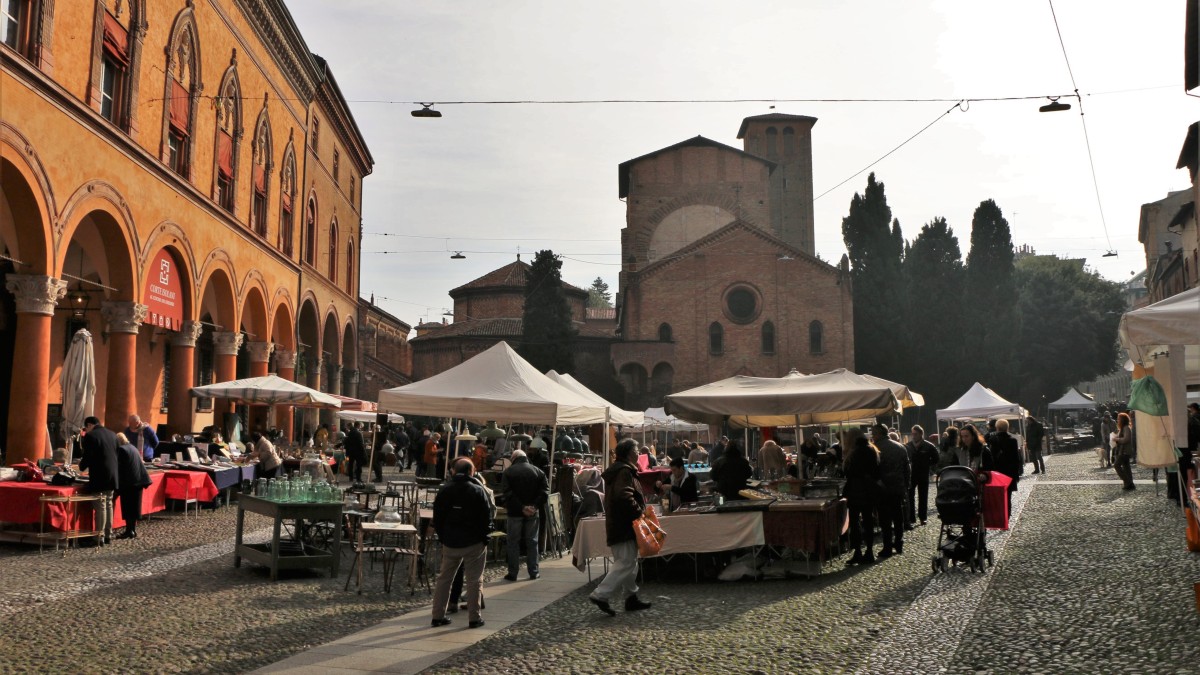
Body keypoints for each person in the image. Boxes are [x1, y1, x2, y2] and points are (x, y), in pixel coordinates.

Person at [587, 439, 651, 616]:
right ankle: (600, 594)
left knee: (630, 563)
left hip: (621, 524)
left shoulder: (622, 470)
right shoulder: (624, 471)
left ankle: (631, 598)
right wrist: (639, 513)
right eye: (637, 450)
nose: (639, 453)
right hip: (624, 526)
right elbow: (624, 497)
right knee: (625, 563)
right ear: (630, 453)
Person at [430, 459, 492, 629]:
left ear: (453, 471)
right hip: (473, 542)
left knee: (444, 579)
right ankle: (474, 617)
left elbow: (438, 518)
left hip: (451, 541)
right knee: (474, 581)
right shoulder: (478, 490)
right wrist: (484, 538)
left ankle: (437, 615)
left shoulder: (445, 490)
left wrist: (443, 537)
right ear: (471, 472)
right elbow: (487, 517)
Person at [501, 449, 549, 581]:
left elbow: (507, 493)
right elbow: (545, 492)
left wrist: (522, 507)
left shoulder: (508, 472)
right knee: (532, 542)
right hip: (533, 512)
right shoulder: (539, 472)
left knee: (513, 543)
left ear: (514, 458)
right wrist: (533, 506)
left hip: (515, 512)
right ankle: (534, 571)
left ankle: (513, 573)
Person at [871, 423, 910, 557]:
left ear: (878, 434)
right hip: (898, 487)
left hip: (882, 488)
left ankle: (887, 546)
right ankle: (899, 543)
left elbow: (873, 470)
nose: (872, 436)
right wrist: (906, 486)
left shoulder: (875, 448)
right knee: (898, 516)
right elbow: (907, 468)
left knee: (885, 519)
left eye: (873, 434)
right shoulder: (900, 447)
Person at [79, 416, 119, 545]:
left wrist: (81, 467)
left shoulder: (91, 436)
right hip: (112, 474)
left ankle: (99, 537)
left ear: (89, 425)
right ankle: (108, 534)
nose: (86, 430)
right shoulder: (112, 434)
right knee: (108, 504)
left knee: (101, 506)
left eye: (86, 428)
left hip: (100, 475)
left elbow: (88, 456)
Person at [843, 429, 879, 565]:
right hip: (869, 490)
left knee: (855, 522)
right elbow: (876, 471)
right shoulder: (872, 450)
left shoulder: (854, 452)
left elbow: (850, 472)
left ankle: (857, 551)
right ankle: (869, 551)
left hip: (856, 490)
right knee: (868, 521)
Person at [113, 432, 151, 539]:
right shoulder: (131, 447)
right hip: (138, 481)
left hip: (129, 483)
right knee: (134, 508)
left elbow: (120, 469)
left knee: (128, 508)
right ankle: (132, 530)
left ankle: (129, 531)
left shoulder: (122, 450)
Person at [905, 425, 939, 526]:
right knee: (910, 496)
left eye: (915, 434)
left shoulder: (929, 446)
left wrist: (927, 464)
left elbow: (936, 458)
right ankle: (912, 518)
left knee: (923, 496)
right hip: (911, 475)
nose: (913, 436)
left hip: (923, 474)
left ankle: (923, 517)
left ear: (921, 434)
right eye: (912, 434)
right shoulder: (908, 446)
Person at [992, 419, 1023, 517]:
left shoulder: (993, 440)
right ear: (1007, 428)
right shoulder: (1012, 441)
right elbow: (1016, 459)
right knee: (1008, 496)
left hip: (997, 472)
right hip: (1009, 472)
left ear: (997, 428)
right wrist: (1017, 474)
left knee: (997, 496)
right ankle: (1007, 517)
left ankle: (999, 516)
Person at [1113, 412, 1135, 490]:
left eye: (1119, 419)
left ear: (1122, 420)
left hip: (1124, 451)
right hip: (1123, 451)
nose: (1117, 420)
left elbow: (1126, 439)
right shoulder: (1123, 428)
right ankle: (1130, 484)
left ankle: (1128, 482)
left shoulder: (1126, 428)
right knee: (1126, 468)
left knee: (1116, 465)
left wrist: (1117, 439)